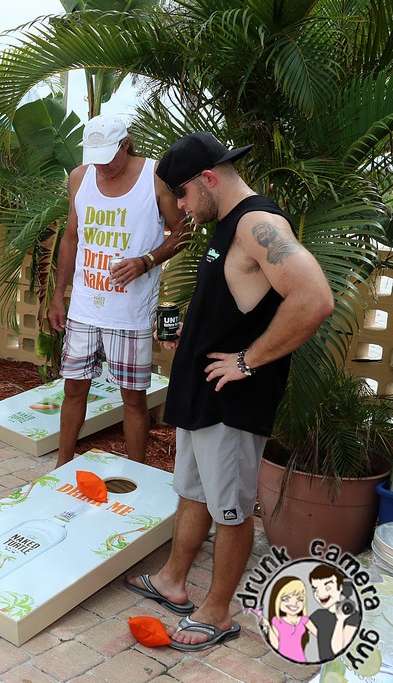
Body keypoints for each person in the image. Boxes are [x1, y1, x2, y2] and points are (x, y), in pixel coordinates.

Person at [123, 132, 333, 651]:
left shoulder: (259, 224)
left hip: (231, 404)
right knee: (193, 493)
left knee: (230, 511)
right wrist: (191, 332)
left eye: (181, 195)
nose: (180, 208)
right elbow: (234, 303)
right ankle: (173, 581)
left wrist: (247, 360)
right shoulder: (228, 223)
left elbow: (314, 298)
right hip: (202, 395)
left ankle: (217, 613)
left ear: (207, 179)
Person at [47, 114, 188, 469]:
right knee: (73, 389)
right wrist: (58, 296)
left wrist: (146, 261)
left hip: (131, 312)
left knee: (133, 398)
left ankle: (135, 474)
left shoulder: (154, 177)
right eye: (95, 158)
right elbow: (71, 237)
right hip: (84, 308)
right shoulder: (80, 178)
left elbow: (183, 231)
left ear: (126, 144)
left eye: (108, 157)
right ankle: (61, 465)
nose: (102, 166)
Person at [308, 565, 360, 661]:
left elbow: (338, 651)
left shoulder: (352, 616)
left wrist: (340, 620)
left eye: (327, 588)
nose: (320, 593)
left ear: (340, 587)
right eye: (316, 589)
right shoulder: (318, 615)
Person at [260, 576, 315, 662]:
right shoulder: (277, 621)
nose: (294, 603)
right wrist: (268, 626)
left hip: (300, 658)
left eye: (300, 599)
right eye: (286, 599)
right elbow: (275, 645)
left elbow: (320, 635)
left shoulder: (304, 620)